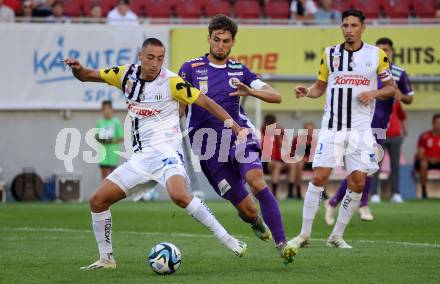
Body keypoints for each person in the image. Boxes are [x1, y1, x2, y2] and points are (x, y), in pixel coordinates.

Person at [63, 37, 248, 270]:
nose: (155, 63)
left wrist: (237, 126)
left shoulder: (172, 82)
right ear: (141, 56)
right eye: (150, 58)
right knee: (98, 201)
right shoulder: (125, 74)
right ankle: (106, 259)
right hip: (140, 160)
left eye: (160, 59)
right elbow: (87, 75)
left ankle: (227, 239)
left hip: (167, 153)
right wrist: (78, 69)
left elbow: (207, 102)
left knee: (179, 195)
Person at [178, 14, 297, 265]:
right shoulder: (190, 68)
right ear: (208, 39)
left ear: (233, 43)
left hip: (239, 135)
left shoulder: (239, 70)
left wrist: (251, 90)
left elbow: (275, 96)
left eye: (226, 41)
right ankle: (256, 223)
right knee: (248, 210)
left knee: (256, 181)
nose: (220, 45)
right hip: (208, 147)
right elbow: (179, 107)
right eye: (216, 39)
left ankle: (283, 244)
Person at [288, 9, 395, 250]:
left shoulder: (376, 55)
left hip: (359, 130)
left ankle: (336, 236)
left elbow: (390, 88)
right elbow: (320, 87)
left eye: (353, 25)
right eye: (345, 25)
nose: (348, 29)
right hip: (332, 128)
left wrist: (374, 92)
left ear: (363, 28)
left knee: (357, 182)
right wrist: (308, 92)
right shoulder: (330, 54)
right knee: (318, 177)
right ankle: (304, 234)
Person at [325, 37, 414, 223]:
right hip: (362, 125)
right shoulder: (365, 70)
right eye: (381, 49)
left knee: (363, 169)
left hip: (382, 127)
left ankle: (333, 202)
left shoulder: (398, 74)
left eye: (387, 50)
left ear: (391, 52)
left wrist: (401, 96)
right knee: (365, 166)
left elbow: (409, 98)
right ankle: (363, 204)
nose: (384, 52)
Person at [260, 114, 293, 199]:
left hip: (280, 161)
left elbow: (286, 147)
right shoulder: (262, 132)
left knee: (293, 165)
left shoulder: (280, 132)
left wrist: (278, 136)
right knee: (277, 165)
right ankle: (274, 193)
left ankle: (291, 192)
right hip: (266, 163)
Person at [95, 100, 124, 181]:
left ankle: (112, 193)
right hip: (103, 154)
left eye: (108, 109)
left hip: (112, 154)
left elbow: (121, 138)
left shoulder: (116, 122)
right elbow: (96, 136)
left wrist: (111, 141)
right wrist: (101, 139)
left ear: (111, 109)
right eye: (104, 109)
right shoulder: (100, 122)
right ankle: (104, 193)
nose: (106, 111)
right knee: (103, 176)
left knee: (113, 177)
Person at [414, 113, 440, 199]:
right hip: (427, 161)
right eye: (437, 123)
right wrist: (430, 159)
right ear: (433, 124)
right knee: (423, 164)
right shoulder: (425, 136)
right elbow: (420, 154)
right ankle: (424, 191)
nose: (439, 125)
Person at [289, 121, 317, 199]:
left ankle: (322, 192)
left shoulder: (315, 140)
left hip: (312, 162)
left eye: (311, 130)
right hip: (300, 162)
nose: (309, 132)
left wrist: (309, 159)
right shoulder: (298, 139)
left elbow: (317, 154)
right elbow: (293, 153)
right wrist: (303, 158)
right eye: (307, 130)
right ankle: (298, 192)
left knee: (323, 166)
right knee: (299, 164)